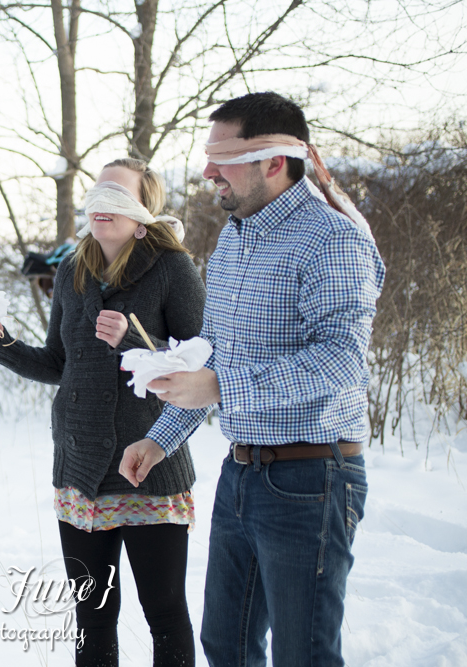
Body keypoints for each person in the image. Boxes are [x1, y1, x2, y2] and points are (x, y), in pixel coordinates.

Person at [118, 92, 386, 667]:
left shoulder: (332, 240)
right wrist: (159, 438)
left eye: (224, 157)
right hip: (242, 474)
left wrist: (218, 388)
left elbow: (342, 361)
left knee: (302, 655)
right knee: (226, 645)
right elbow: (210, 360)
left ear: (274, 160)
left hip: (313, 478)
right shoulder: (235, 237)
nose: (209, 170)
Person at [0, 158, 206, 667]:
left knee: (164, 613)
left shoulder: (172, 269)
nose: (102, 205)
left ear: (142, 216)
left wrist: (134, 340)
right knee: (92, 617)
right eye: (97, 194)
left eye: (117, 196)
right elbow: (58, 363)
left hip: (149, 470)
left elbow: (199, 364)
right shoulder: (73, 268)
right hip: (79, 474)